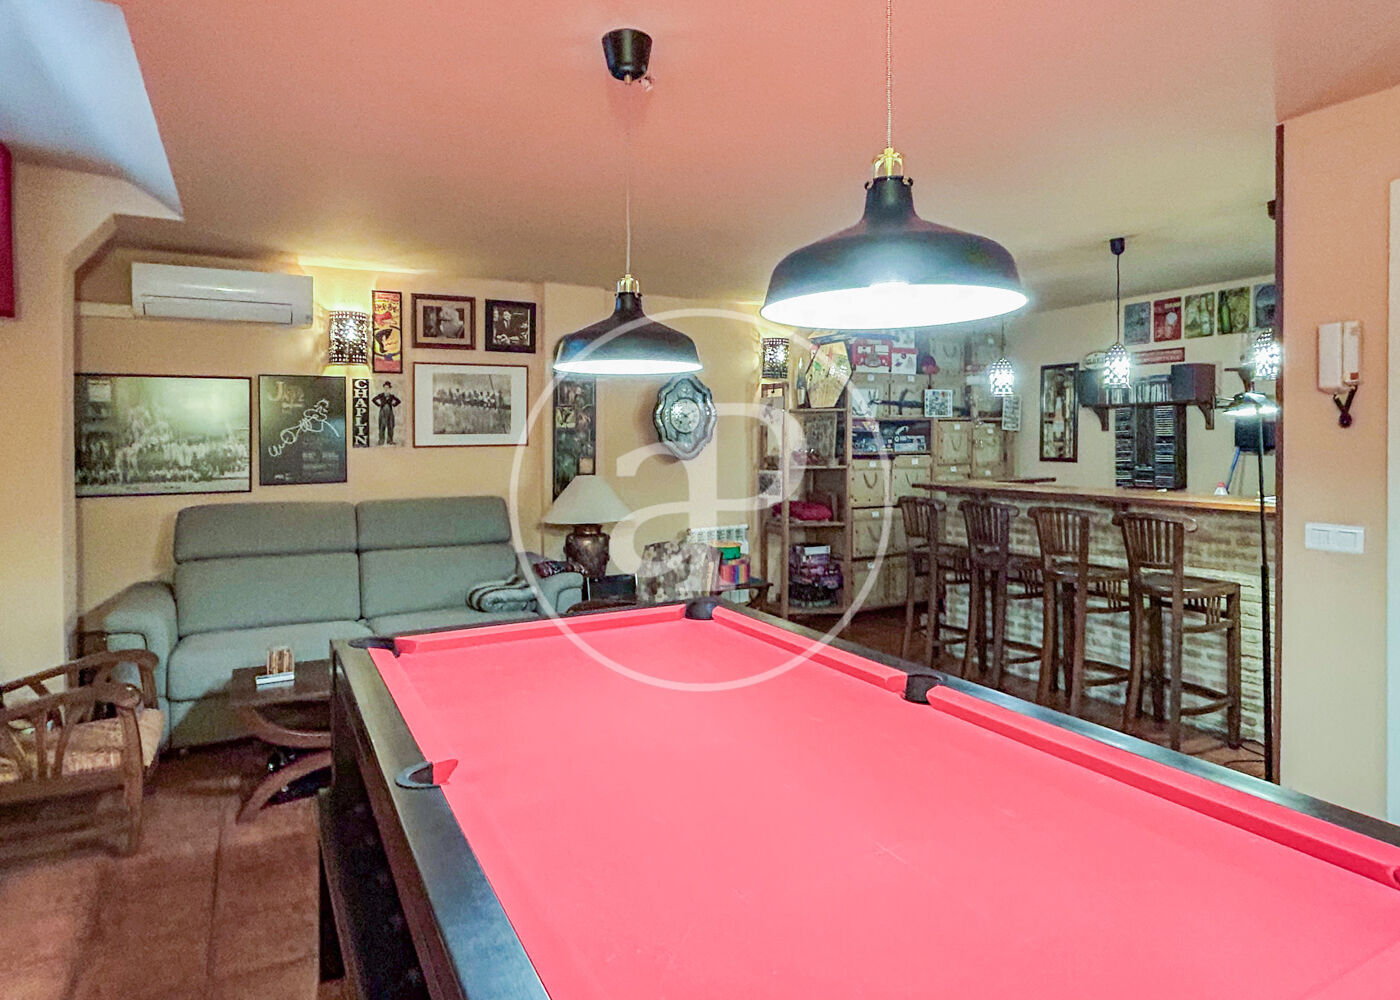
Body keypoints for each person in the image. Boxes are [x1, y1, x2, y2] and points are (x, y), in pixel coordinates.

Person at [372, 380, 401, 446]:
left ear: (389, 388)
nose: (386, 388)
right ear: (384, 388)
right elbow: (373, 400)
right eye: (385, 387)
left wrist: (394, 404)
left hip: (390, 412)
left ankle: (390, 441)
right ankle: (381, 441)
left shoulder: (391, 396)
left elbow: (398, 401)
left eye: (387, 387)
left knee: (390, 426)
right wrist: (379, 405)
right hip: (382, 412)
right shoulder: (381, 395)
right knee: (382, 426)